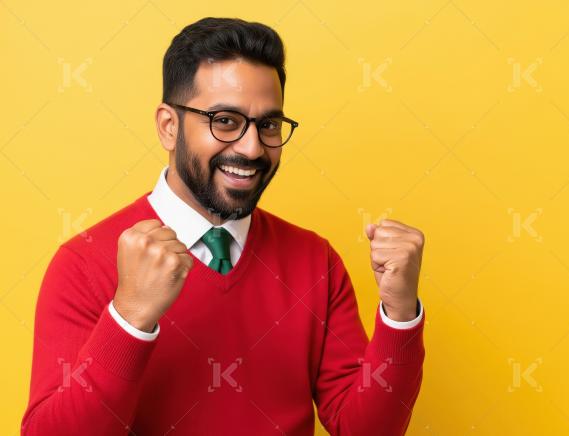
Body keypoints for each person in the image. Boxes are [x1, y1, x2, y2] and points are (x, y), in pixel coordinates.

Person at [22, 17, 425, 435]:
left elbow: (364, 430)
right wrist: (129, 318)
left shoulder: (315, 261)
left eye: (268, 125)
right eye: (225, 121)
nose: (251, 148)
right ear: (168, 126)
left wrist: (400, 315)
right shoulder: (84, 263)